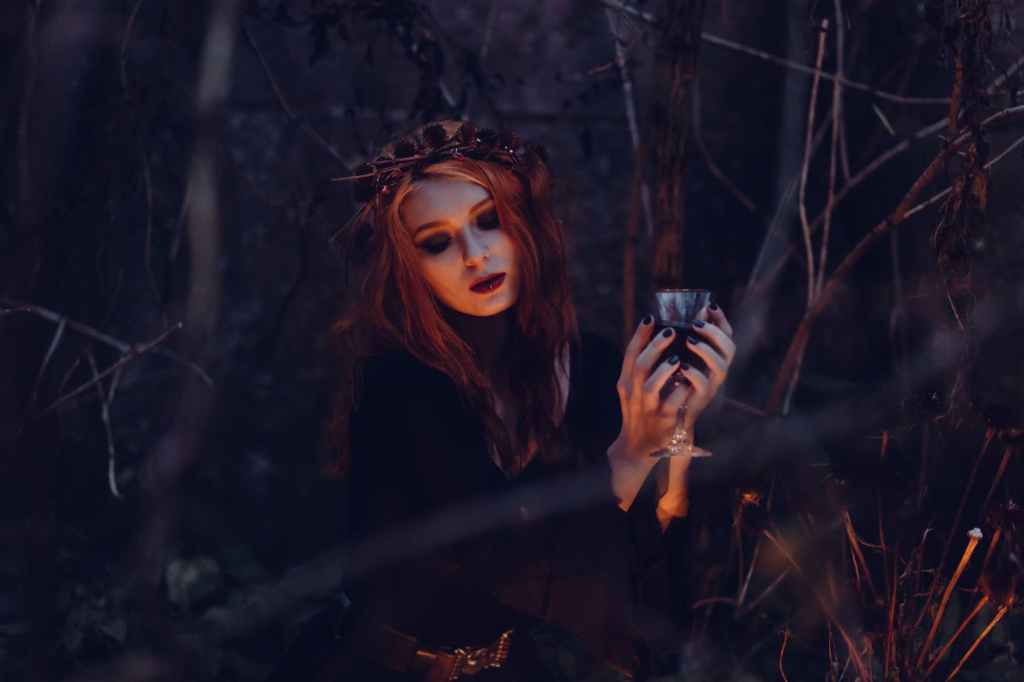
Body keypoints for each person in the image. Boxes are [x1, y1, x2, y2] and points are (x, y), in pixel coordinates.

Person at [286, 119, 735, 681]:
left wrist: (677, 430)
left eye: (488, 220)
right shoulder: (397, 383)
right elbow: (501, 560)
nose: (474, 255)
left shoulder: (591, 366)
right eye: (437, 242)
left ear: (526, 224)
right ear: (408, 270)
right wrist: (629, 455)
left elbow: (631, 568)